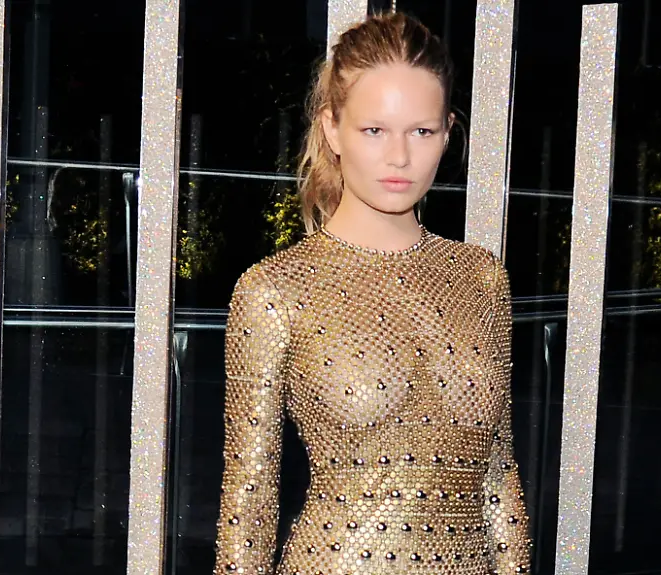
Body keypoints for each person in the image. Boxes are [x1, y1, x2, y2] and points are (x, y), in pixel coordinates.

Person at [213, 11, 532, 575]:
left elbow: (498, 477)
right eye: (374, 130)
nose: (400, 157)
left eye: (421, 131)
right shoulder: (274, 290)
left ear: (448, 133)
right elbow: (250, 500)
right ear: (332, 129)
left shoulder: (481, 277)